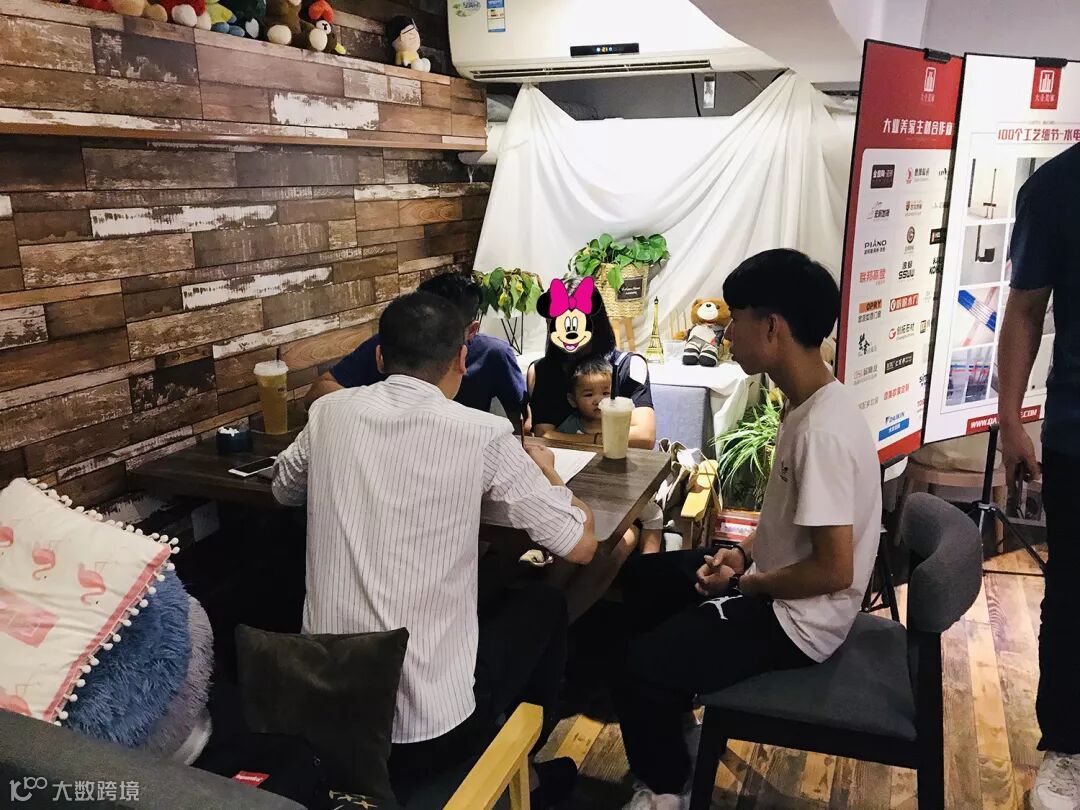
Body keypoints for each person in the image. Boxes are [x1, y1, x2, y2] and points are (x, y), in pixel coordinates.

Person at [272, 292, 598, 806]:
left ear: (380, 357)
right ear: (462, 359)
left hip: (326, 715)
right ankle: (523, 770)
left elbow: (283, 488)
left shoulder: (329, 411)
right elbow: (579, 545)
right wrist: (549, 472)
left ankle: (505, 758)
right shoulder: (483, 432)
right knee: (544, 603)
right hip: (427, 736)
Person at [612, 249, 881, 810]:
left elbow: (834, 570)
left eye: (735, 319)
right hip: (777, 587)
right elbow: (787, 522)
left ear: (772, 327)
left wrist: (744, 584)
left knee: (636, 667)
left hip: (800, 623)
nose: (727, 333)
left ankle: (666, 788)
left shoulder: (823, 432)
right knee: (642, 580)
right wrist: (739, 553)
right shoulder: (807, 402)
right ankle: (673, 713)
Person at [998, 142, 1080, 810]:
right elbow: (1025, 308)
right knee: (1075, 592)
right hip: (1079, 429)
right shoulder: (1057, 186)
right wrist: (1011, 420)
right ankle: (1068, 748)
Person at [305, 272, 527, 432]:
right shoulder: (394, 343)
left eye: (446, 328)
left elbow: (521, 421)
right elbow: (318, 392)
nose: (430, 335)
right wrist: (378, 413)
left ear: (472, 331)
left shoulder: (494, 354)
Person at [528, 279, 656, 449]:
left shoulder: (629, 365)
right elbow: (543, 435)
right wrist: (607, 438)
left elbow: (644, 437)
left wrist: (588, 440)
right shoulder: (540, 371)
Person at [559, 356, 664, 556]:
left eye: (605, 393)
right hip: (584, 492)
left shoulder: (621, 422)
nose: (598, 400)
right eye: (589, 394)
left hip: (622, 487)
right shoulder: (568, 428)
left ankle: (649, 563)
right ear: (572, 400)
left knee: (654, 515)